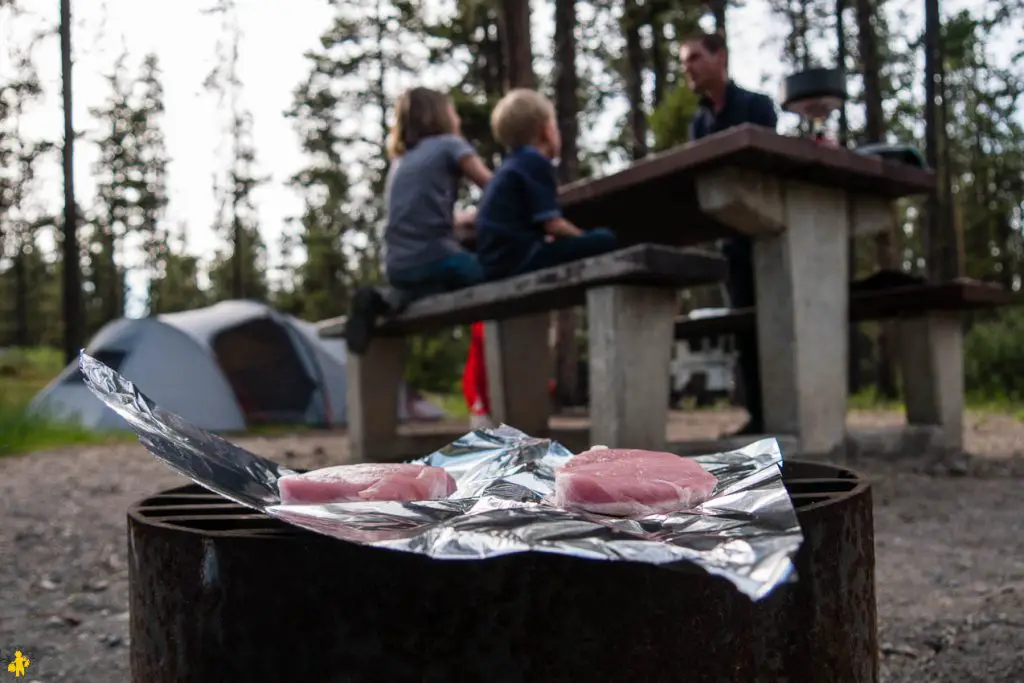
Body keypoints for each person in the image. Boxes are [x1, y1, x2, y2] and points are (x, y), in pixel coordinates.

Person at [345, 87, 493, 354]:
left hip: (398, 266)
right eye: (453, 112)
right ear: (440, 116)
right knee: (494, 275)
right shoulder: (451, 145)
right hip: (437, 257)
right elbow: (495, 188)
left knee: (425, 290)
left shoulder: (401, 161)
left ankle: (379, 299)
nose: (457, 118)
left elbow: (418, 215)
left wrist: (463, 219)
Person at [680, 31, 779, 436]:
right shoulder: (699, 122)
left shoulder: (757, 106)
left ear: (720, 57)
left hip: (769, 236)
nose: (688, 67)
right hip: (731, 243)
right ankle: (759, 416)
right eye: (684, 62)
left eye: (695, 58)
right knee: (745, 328)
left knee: (778, 324)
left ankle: (787, 413)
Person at [475, 88, 617, 281]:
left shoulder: (508, 167)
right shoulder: (535, 162)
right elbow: (554, 225)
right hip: (519, 261)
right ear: (547, 131)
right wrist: (581, 237)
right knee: (604, 239)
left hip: (492, 265)